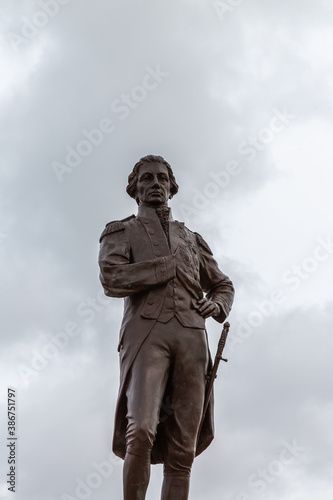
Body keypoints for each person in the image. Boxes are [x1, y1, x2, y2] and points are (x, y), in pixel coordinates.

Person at [98, 155, 234, 500]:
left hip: (192, 335)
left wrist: (217, 305)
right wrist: (165, 268)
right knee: (140, 429)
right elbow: (112, 278)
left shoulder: (192, 238)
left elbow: (222, 284)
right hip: (146, 335)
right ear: (135, 188)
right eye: (146, 179)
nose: (154, 184)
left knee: (182, 448)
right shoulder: (122, 230)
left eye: (161, 178)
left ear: (171, 187)